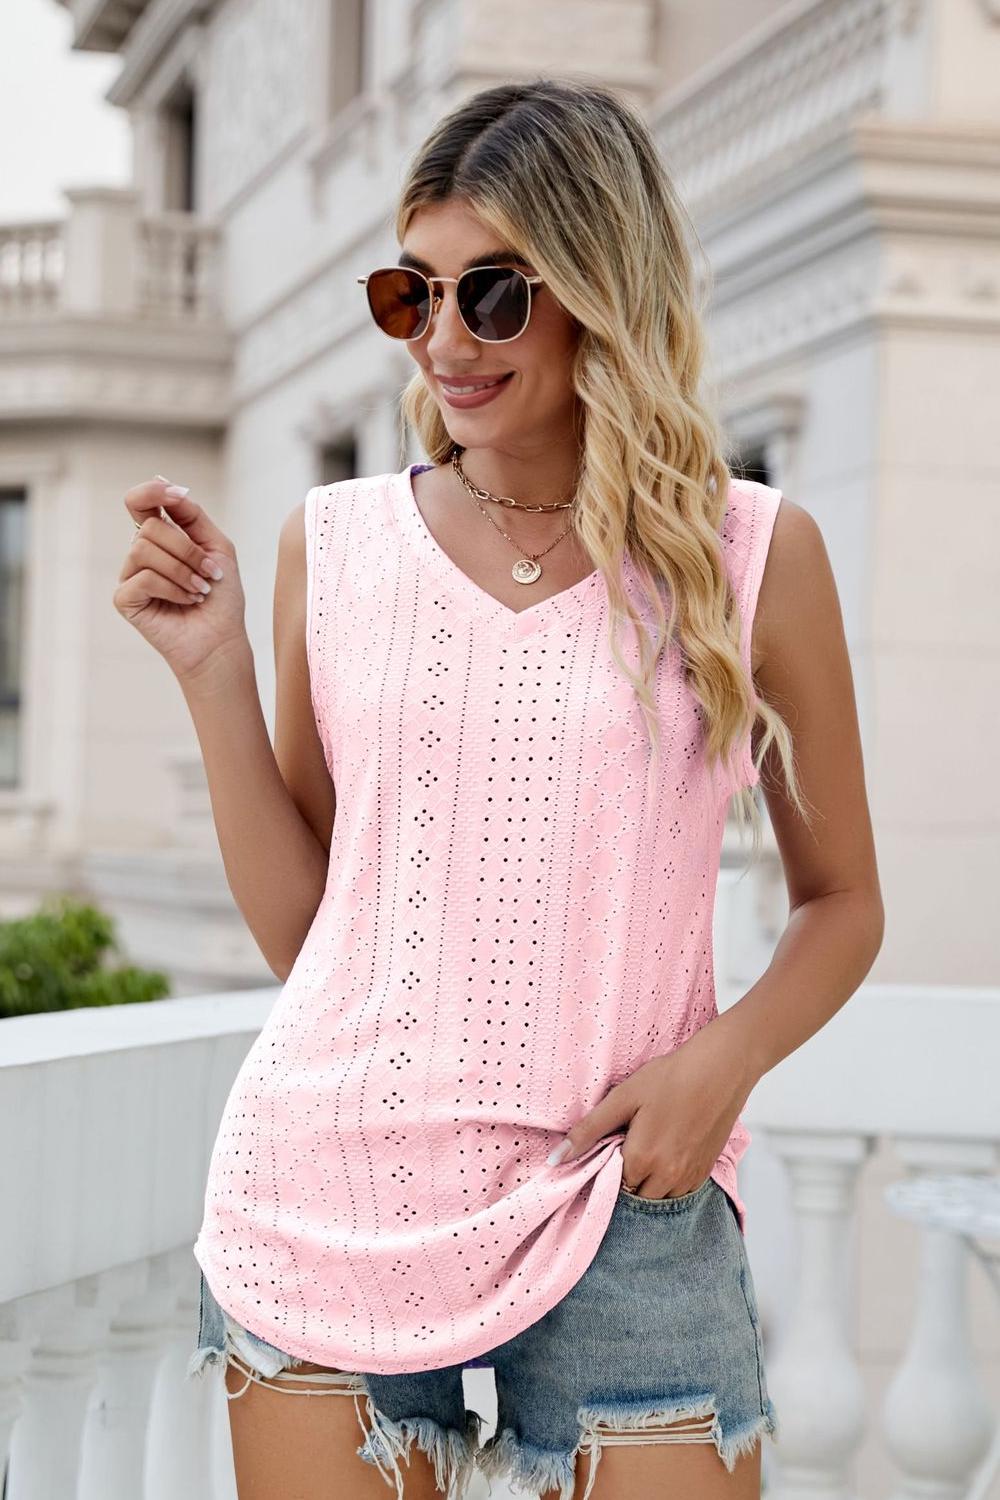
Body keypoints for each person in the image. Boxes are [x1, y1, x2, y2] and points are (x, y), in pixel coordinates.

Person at [114, 75, 883, 1500]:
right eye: (412, 294)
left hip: (627, 1196)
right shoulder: (334, 545)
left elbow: (843, 905)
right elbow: (310, 937)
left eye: (494, 295)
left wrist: (719, 1068)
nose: (446, 341)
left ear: (601, 291)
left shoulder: (749, 553)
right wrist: (215, 670)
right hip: (331, 1190)